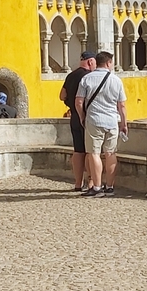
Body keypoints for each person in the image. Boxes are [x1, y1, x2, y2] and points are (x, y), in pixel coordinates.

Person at [75, 51, 127, 198]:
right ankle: (109, 187)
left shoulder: (87, 79)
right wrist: (124, 123)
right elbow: (121, 105)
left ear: (96, 62)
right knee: (111, 153)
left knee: (94, 153)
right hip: (111, 121)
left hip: (94, 120)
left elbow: (78, 102)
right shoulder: (116, 80)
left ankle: (97, 187)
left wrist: (82, 117)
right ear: (109, 63)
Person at [59, 51, 97, 191]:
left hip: (74, 117)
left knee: (78, 150)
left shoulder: (71, 75)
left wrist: (70, 105)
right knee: (90, 151)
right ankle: (91, 181)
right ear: (90, 62)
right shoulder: (89, 77)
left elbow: (62, 96)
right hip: (86, 117)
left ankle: (77, 183)